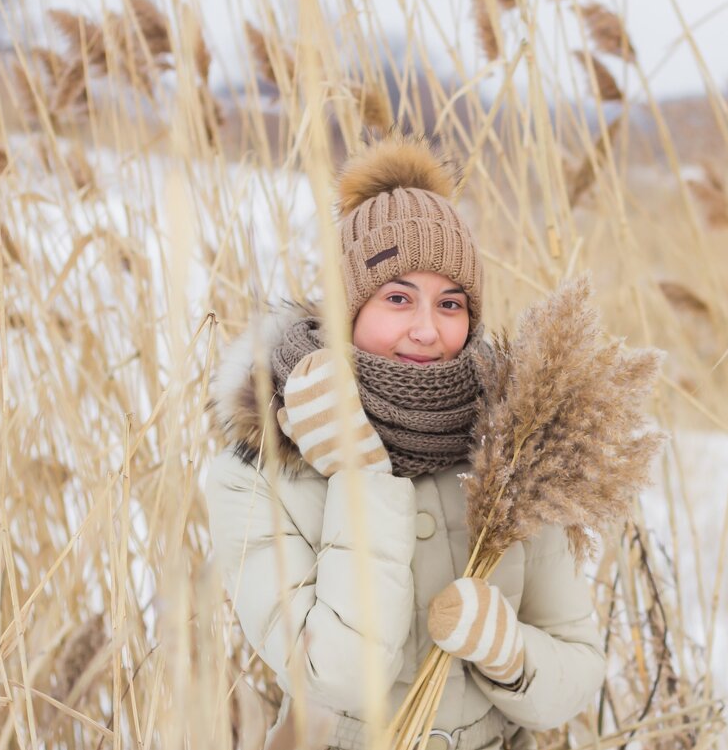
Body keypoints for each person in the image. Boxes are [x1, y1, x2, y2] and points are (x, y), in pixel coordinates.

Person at [204, 135, 605, 750]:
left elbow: (579, 670)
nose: (427, 330)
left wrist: (510, 653)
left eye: (450, 303)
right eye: (398, 298)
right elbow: (333, 676)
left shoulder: (513, 447)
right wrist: (358, 474)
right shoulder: (256, 471)